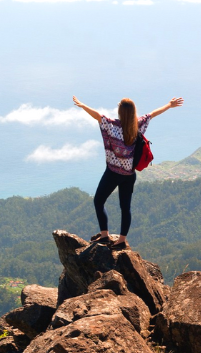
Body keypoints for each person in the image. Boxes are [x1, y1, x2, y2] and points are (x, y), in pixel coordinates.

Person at [73, 95, 184, 250]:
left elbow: (97, 116)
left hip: (112, 173)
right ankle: (122, 240)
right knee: (125, 207)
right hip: (129, 175)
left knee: (99, 201)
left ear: (120, 112)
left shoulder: (112, 126)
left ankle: (104, 236)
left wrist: (83, 105)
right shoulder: (137, 125)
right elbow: (153, 114)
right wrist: (169, 105)